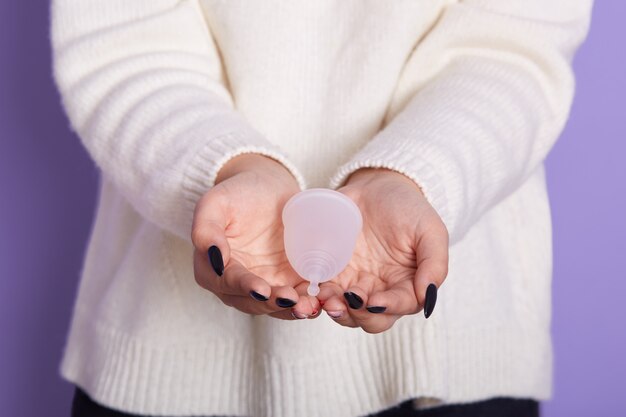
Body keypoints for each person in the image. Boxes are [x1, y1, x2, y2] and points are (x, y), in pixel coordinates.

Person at [50, 1, 592, 416]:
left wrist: (412, 174)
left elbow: (513, 48)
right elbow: (120, 45)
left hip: (452, 359)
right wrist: (228, 168)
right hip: (168, 355)